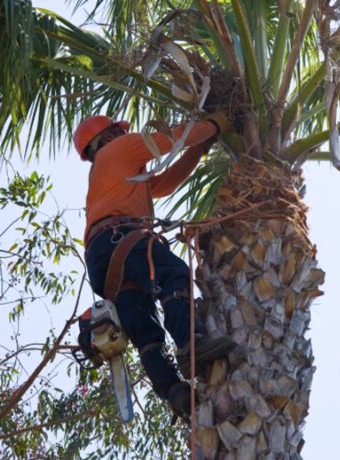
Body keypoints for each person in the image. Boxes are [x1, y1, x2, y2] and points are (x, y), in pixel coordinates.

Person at [75, 114, 236, 418]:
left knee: (145, 329)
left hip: (102, 259)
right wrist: (216, 124)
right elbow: (168, 139)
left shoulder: (112, 171)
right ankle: (191, 342)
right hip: (119, 237)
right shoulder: (119, 150)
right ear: (109, 136)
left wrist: (200, 149)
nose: (125, 133)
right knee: (173, 275)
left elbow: (166, 183)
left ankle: (173, 390)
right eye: (119, 131)